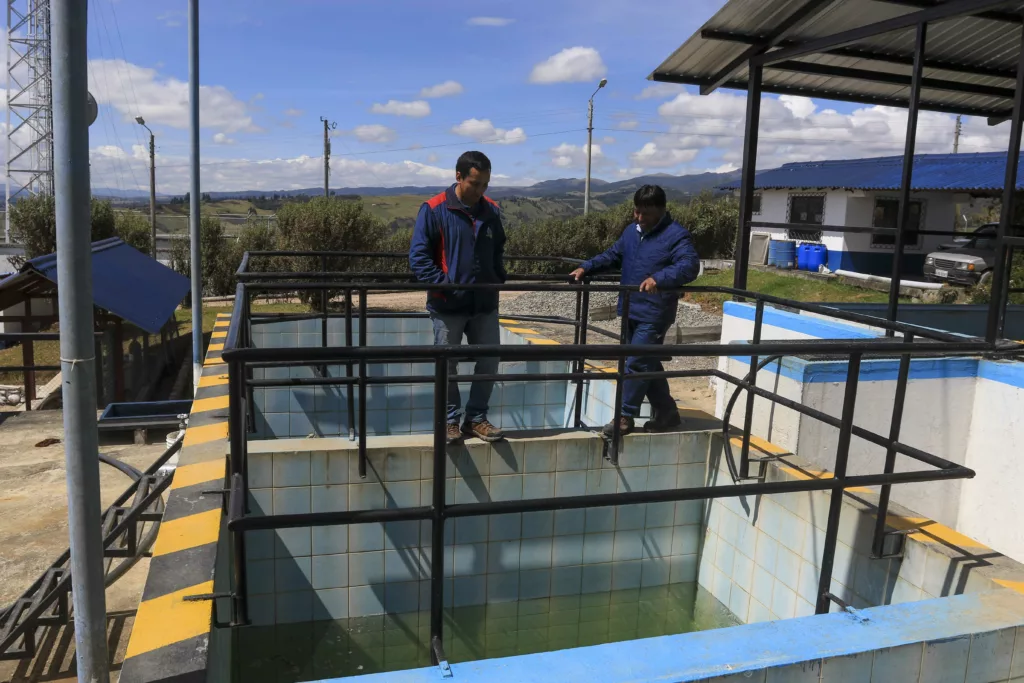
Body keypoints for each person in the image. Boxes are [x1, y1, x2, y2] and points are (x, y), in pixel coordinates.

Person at [570, 184, 700, 436]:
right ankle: (667, 412)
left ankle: (624, 416)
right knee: (646, 362)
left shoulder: (676, 235)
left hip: (655, 312)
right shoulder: (632, 232)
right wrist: (586, 267)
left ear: (662, 211)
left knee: (638, 363)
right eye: (637, 212)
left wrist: (659, 279)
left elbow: (689, 265)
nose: (639, 218)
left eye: (646, 213)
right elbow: (613, 255)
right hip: (630, 308)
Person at [410, 151, 507, 444]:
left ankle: (476, 419)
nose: (480, 191)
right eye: (475, 184)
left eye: (485, 185)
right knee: (447, 363)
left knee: (490, 359)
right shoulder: (435, 209)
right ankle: (449, 421)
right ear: (458, 177)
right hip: (448, 305)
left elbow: (498, 248)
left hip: (484, 304)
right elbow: (418, 257)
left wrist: (497, 276)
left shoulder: (491, 210)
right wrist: (445, 285)